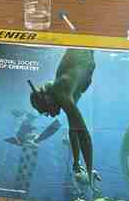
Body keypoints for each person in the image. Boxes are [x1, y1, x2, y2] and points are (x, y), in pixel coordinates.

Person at [28, 49, 99, 188]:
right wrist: (76, 161)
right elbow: (73, 130)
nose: (51, 115)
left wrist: (89, 173)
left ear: (47, 100)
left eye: (46, 111)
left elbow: (84, 134)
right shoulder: (65, 93)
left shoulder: (61, 90)